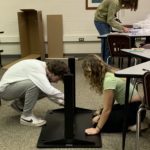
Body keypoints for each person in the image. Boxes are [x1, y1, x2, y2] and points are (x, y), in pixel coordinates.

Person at [82, 54, 147, 135]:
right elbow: (110, 103)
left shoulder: (108, 80)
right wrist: (101, 114)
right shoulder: (109, 73)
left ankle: (131, 126)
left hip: (135, 111)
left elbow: (107, 110)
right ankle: (131, 123)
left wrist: (97, 129)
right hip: (133, 106)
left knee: (96, 124)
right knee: (97, 115)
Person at [0, 59, 68, 127]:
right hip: (5, 90)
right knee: (34, 85)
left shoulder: (44, 68)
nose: (56, 82)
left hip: (13, 87)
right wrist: (68, 98)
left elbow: (47, 92)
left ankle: (19, 104)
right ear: (52, 73)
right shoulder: (37, 69)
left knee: (42, 86)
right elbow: (49, 90)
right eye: (58, 79)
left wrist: (62, 102)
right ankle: (26, 117)